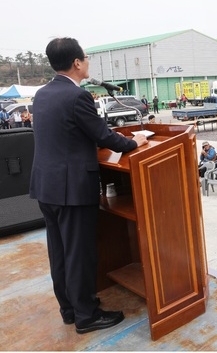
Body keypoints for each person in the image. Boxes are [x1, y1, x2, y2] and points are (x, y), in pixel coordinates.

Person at [30, 37, 148, 334]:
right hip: (72, 189)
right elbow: (104, 137)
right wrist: (135, 141)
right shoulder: (77, 97)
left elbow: (66, 135)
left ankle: (69, 310)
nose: (88, 63)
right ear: (77, 63)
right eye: (86, 58)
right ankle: (87, 316)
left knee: (59, 252)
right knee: (79, 253)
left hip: (47, 186)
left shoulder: (42, 94)